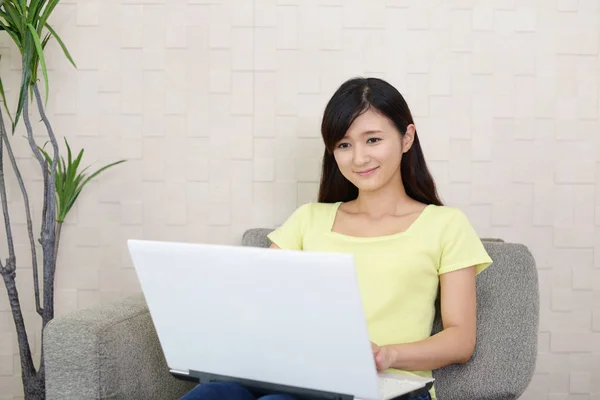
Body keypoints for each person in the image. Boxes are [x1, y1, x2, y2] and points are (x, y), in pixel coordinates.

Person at [179, 77, 493, 400]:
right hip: (300, 373)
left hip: (389, 387)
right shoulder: (307, 220)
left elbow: (461, 340)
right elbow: (261, 306)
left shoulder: (445, 225)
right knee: (210, 394)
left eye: (372, 140)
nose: (358, 158)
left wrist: (387, 355)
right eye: (344, 145)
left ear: (406, 138)